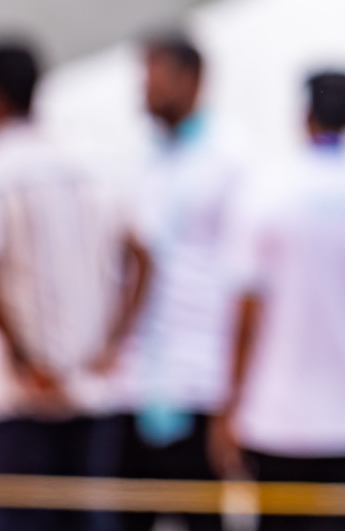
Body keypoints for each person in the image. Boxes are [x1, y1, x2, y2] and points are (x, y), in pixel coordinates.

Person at [212, 71, 345, 531]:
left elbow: (246, 307)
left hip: (275, 415)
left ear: (303, 115)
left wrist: (229, 406)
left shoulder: (267, 189)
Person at [0, 41, 151, 531]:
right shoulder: (90, 160)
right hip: (92, 388)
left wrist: (26, 361)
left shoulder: (5, 169)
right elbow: (143, 257)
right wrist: (109, 346)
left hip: (20, 398)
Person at [116, 32, 244, 531]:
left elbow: (244, 284)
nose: (145, 89)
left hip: (201, 382)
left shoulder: (230, 160)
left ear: (191, 79)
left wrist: (233, 399)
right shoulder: (143, 162)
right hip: (136, 382)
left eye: (155, 76)